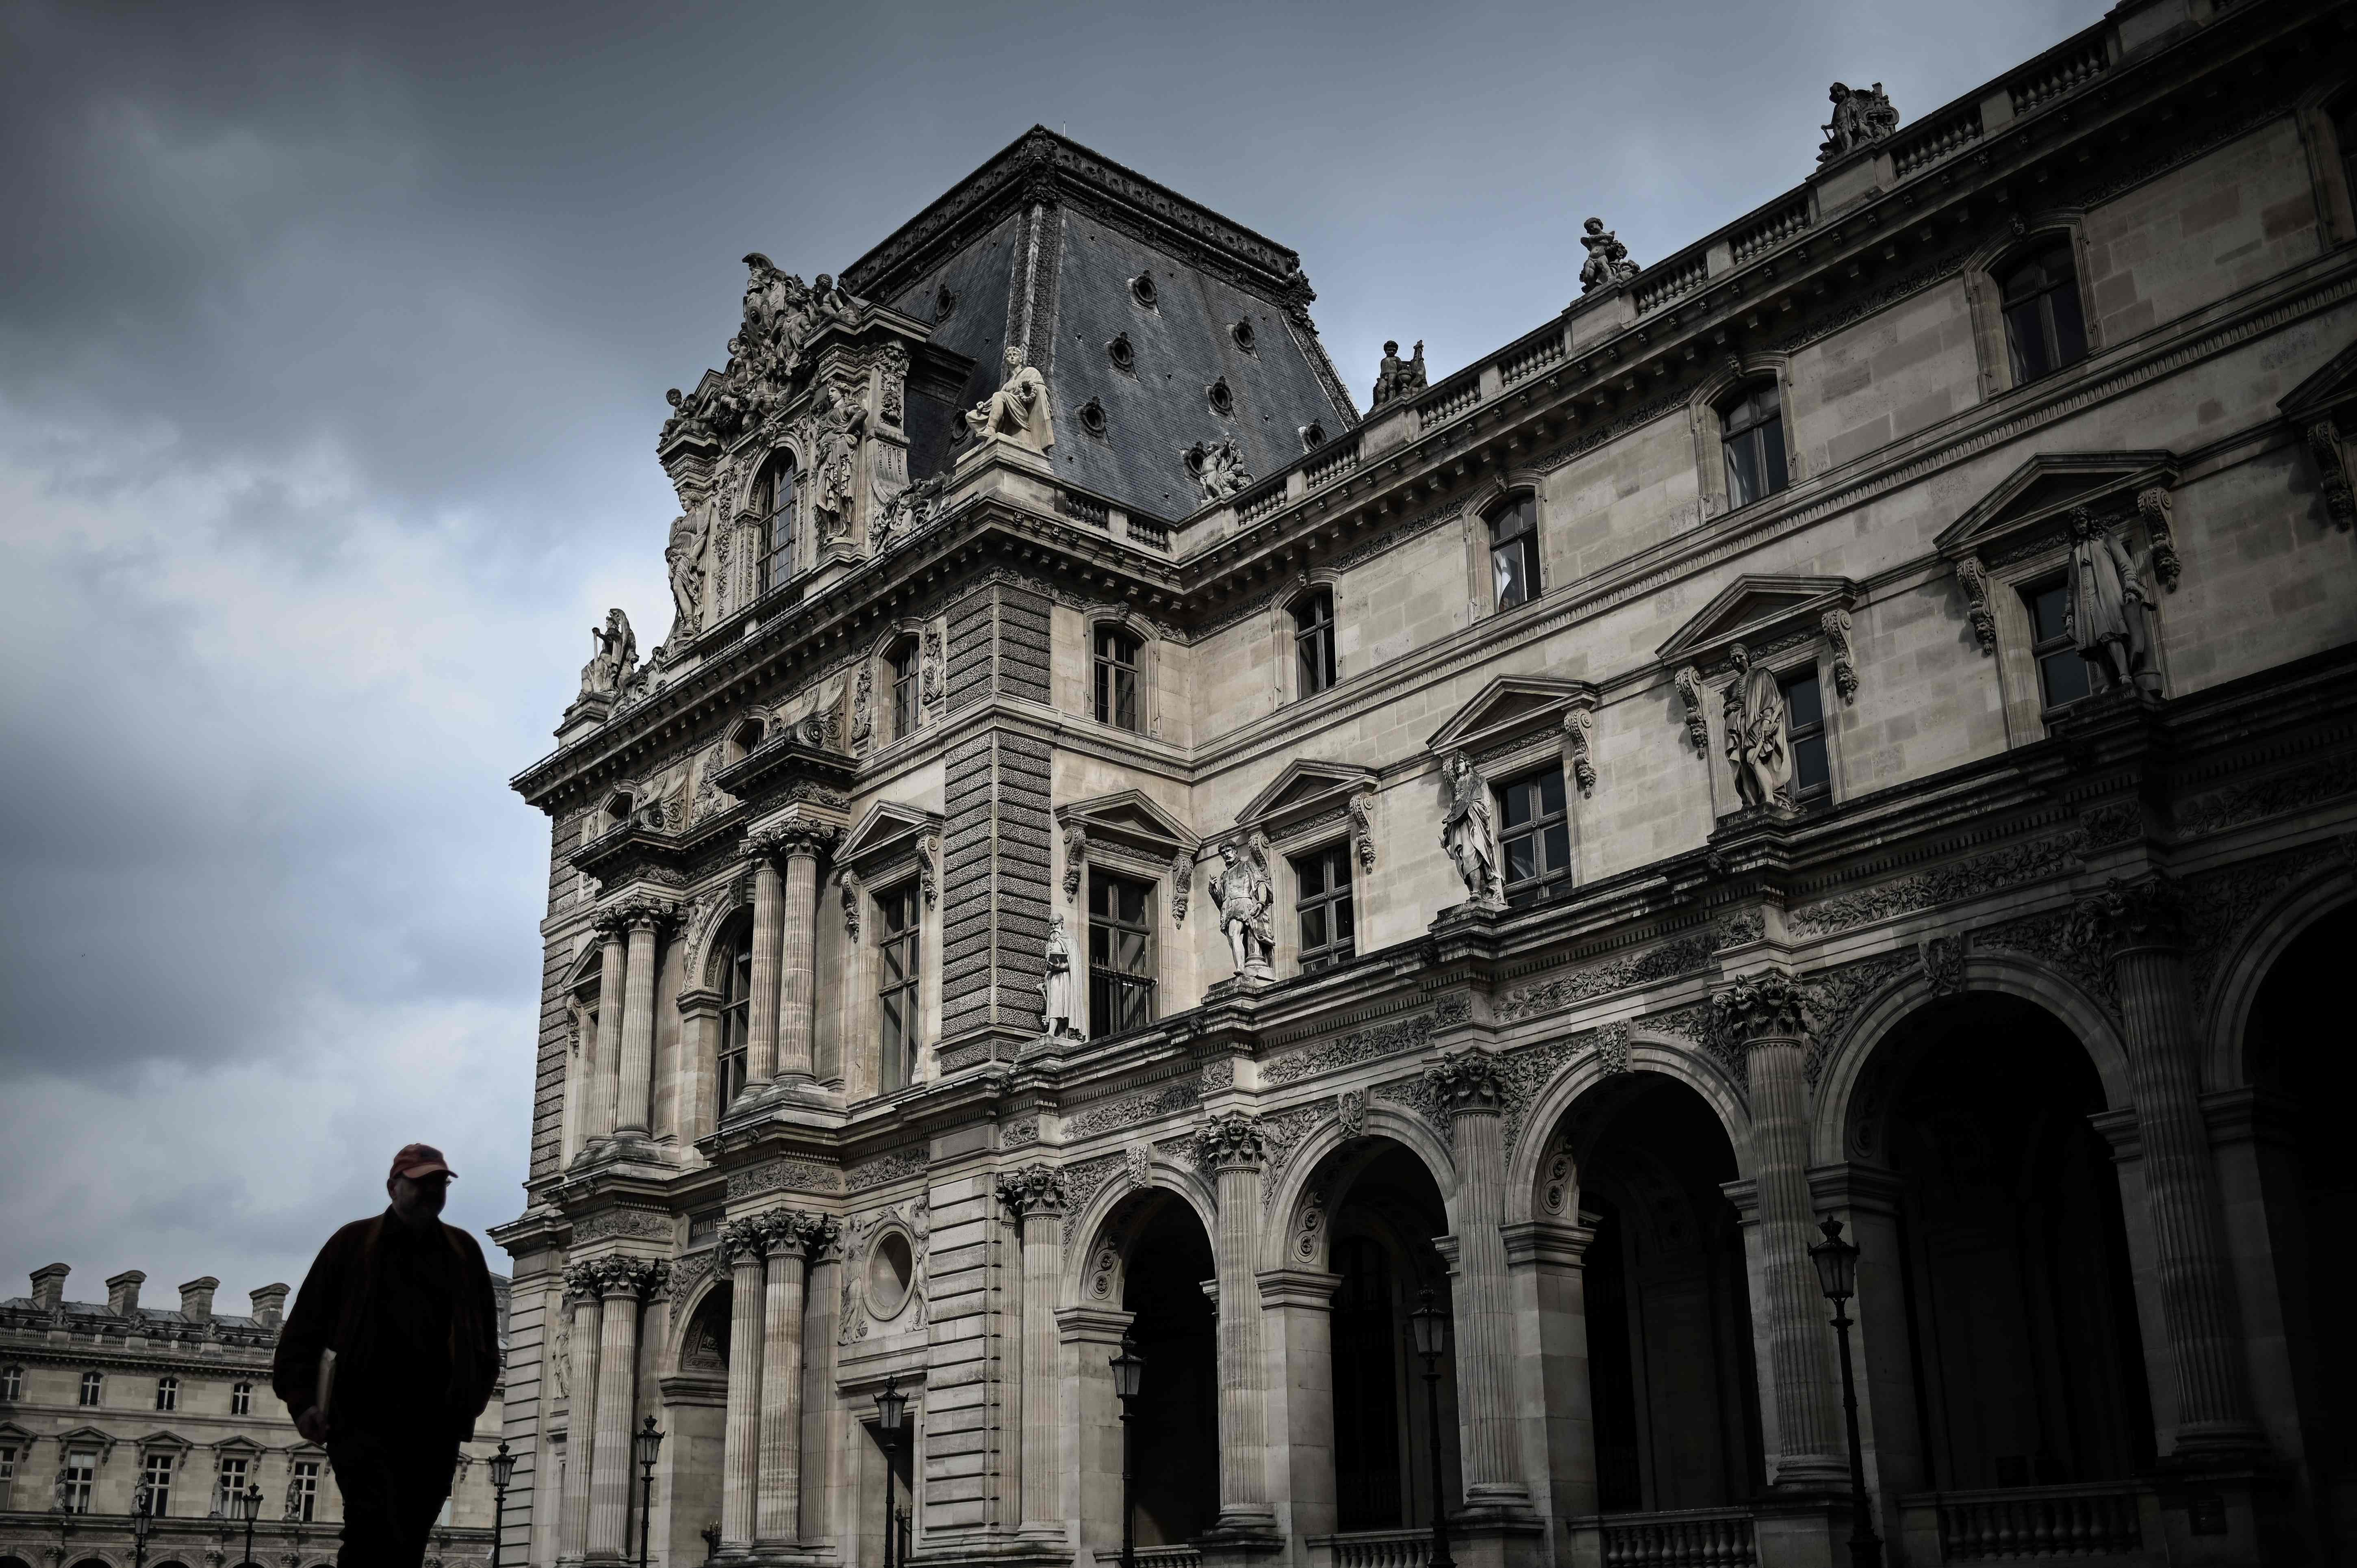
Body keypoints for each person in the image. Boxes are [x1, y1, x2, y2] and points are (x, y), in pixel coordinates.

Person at [273, 1143, 501, 1567]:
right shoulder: (352, 1243)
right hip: (363, 1422)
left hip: (434, 1428)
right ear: (393, 1186)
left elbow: (486, 1341)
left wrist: (466, 1406)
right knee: (369, 1530)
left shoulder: (464, 1252)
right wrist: (302, 1403)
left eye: (439, 1183)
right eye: (421, 1183)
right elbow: (304, 1330)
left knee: (411, 1538)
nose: (431, 1191)